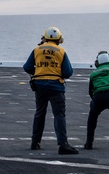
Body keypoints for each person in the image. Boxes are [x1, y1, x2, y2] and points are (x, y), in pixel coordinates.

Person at [23, 26, 79, 155]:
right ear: (59, 39)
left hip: (39, 86)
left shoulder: (37, 50)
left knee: (39, 113)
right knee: (59, 115)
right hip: (56, 87)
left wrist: (39, 72)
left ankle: (35, 142)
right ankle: (63, 144)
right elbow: (68, 72)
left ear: (44, 38)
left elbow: (27, 67)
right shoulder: (61, 51)